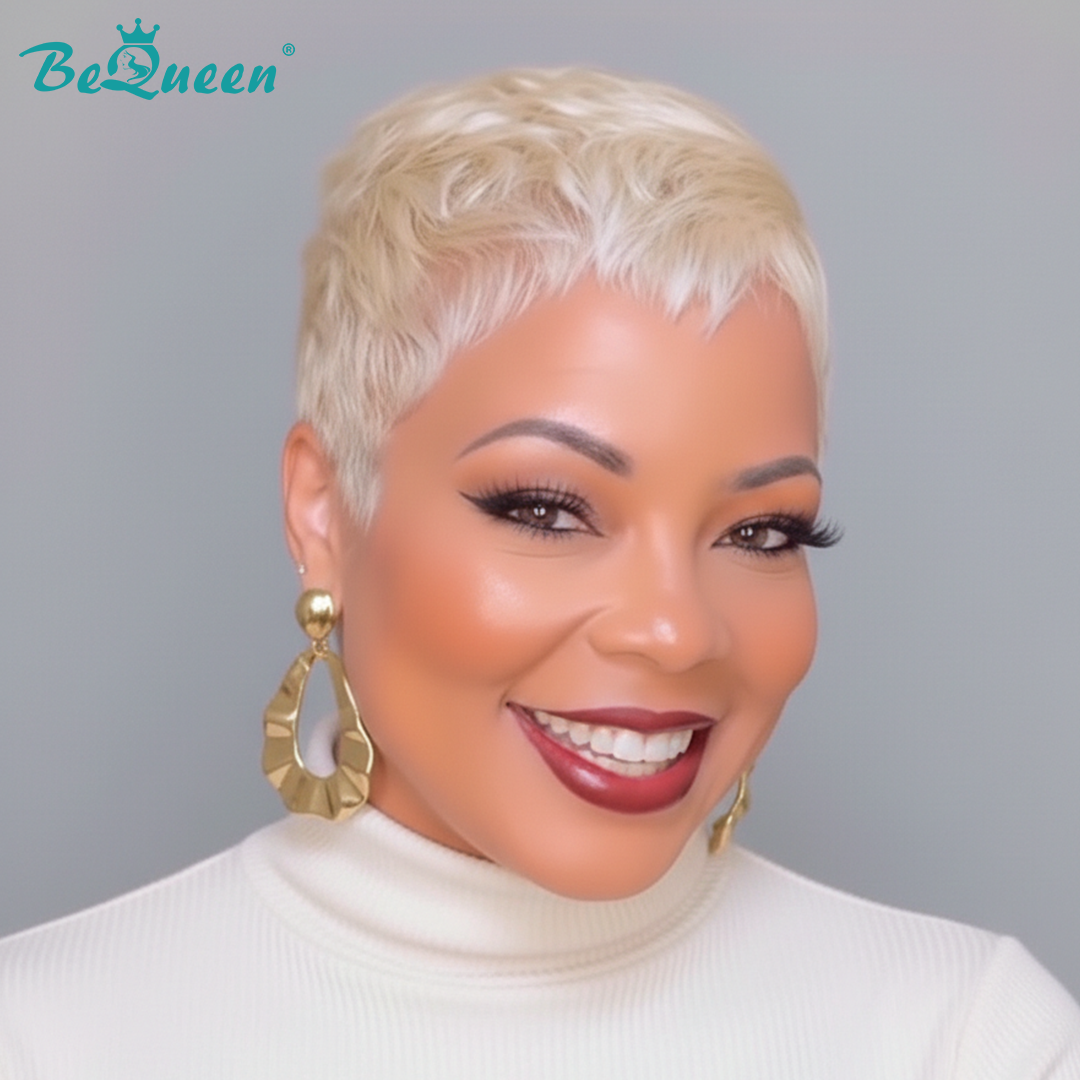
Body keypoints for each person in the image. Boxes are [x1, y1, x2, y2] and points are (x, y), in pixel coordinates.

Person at [1, 67, 1078, 1078]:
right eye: (547, 511)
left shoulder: (967, 1041)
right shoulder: (47, 1037)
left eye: (760, 532)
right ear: (323, 512)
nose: (676, 631)